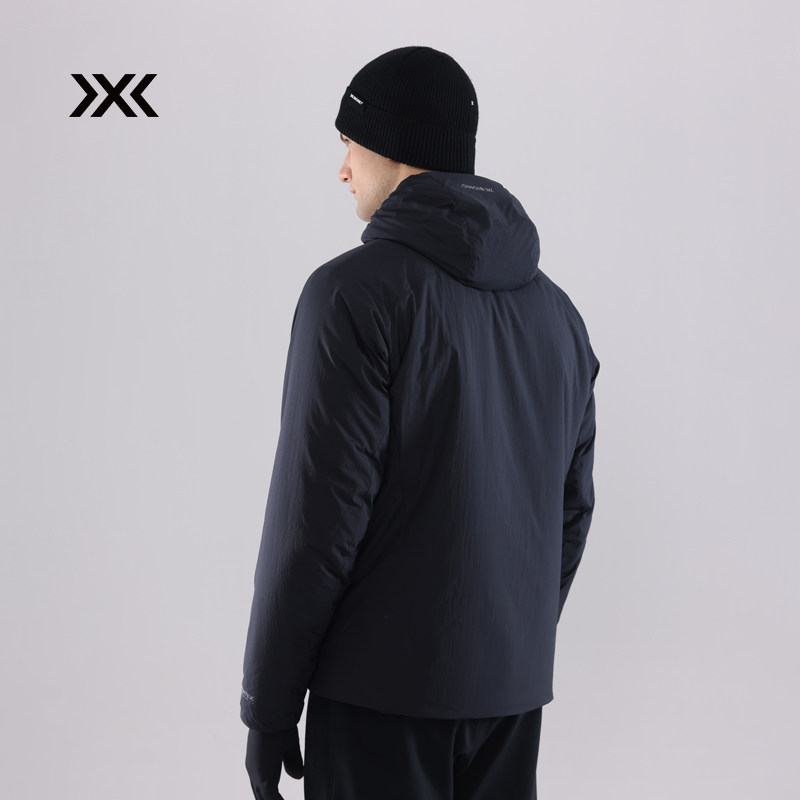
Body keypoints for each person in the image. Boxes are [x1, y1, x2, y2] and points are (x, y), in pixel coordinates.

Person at [240, 45, 600, 800]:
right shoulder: (559, 315)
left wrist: (268, 707)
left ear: (391, 146)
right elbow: (569, 512)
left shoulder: (351, 296)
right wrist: (503, 649)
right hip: (509, 704)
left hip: (379, 704)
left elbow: (316, 526)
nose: (343, 169)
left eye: (349, 143)